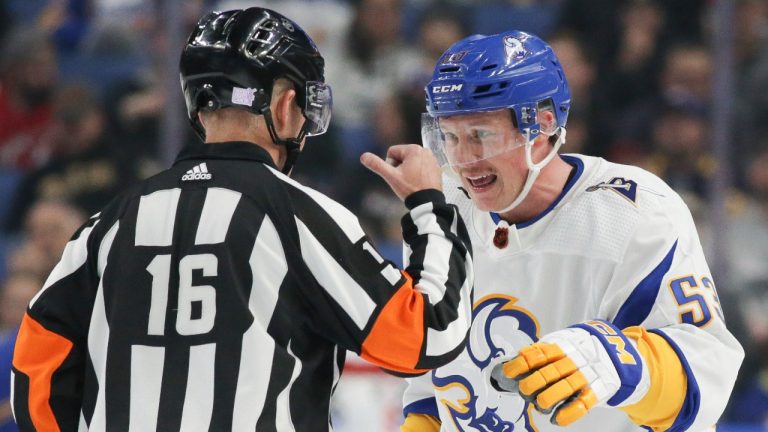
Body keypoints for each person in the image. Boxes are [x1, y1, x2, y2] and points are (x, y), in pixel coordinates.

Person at [11, 8, 474, 431]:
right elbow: (425, 334)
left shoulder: (106, 225)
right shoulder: (298, 214)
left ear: (197, 107)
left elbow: (37, 366)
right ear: (284, 107)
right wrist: (429, 204)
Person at [401, 30, 744, 431]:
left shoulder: (636, 212)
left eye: (481, 135)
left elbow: (706, 373)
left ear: (542, 125)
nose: (464, 159)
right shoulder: (443, 212)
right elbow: (432, 373)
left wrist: (620, 362)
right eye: (450, 137)